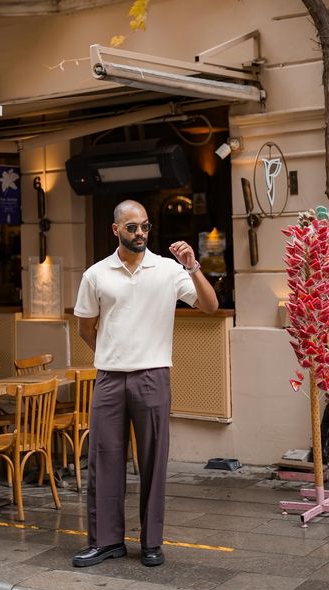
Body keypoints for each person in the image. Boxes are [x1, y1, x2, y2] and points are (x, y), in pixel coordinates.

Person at [72, 199, 218, 568]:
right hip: (108, 378)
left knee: (153, 460)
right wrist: (112, 352)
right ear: (116, 229)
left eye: (145, 227)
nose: (140, 233)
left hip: (153, 375)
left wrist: (193, 267)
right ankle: (106, 542)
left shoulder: (169, 270)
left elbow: (210, 306)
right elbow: (85, 328)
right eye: (132, 227)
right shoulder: (96, 274)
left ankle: (151, 543)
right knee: (103, 460)